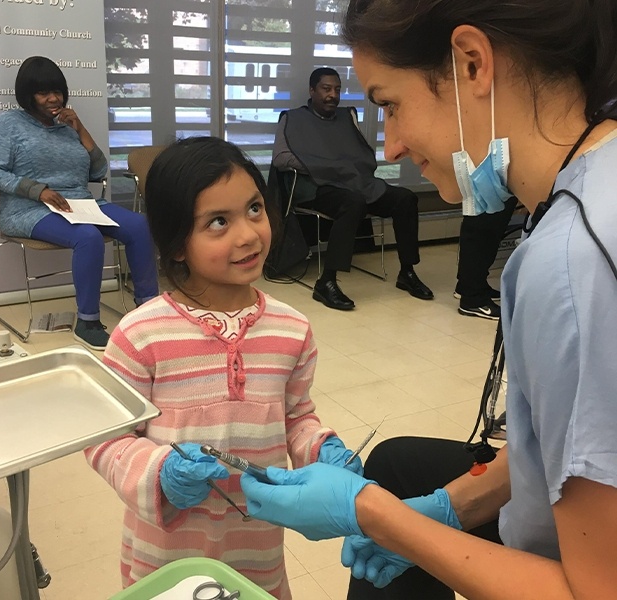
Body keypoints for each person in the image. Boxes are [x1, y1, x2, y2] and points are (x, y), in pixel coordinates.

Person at [240, 1, 617, 599]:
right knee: (397, 464)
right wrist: (444, 509)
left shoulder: (570, 264)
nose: (389, 146)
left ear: (472, 64)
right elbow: (562, 437)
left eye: (391, 105)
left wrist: (379, 518)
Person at [84, 137, 362, 599]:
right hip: (166, 555)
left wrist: (321, 449)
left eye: (254, 209)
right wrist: (159, 471)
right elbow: (105, 438)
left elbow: (295, 417)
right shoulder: (141, 335)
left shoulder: (292, 329)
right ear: (176, 244)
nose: (249, 234)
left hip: (256, 548)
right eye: (218, 222)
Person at [0, 56, 158, 351]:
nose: (53, 98)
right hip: (29, 209)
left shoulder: (66, 126)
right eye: (43, 92)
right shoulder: (8, 124)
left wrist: (80, 128)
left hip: (79, 203)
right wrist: (37, 190)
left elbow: (98, 172)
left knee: (139, 225)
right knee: (87, 236)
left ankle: (148, 307)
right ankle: (87, 322)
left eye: (57, 91)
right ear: (27, 94)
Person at [272, 67, 433, 310]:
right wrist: (326, 165)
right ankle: (326, 282)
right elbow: (281, 158)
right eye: (326, 89)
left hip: (356, 184)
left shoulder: (346, 118)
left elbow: (360, 152)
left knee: (405, 199)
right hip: (317, 188)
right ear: (312, 90)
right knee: (352, 202)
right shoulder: (293, 118)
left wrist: (344, 166)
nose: (332, 95)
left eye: (337, 90)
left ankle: (407, 272)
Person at [454, 195, 518, 319]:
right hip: (488, 179)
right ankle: (473, 298)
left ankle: (469, 285)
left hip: (489, 180)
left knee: (486, 227)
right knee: (484, 228)